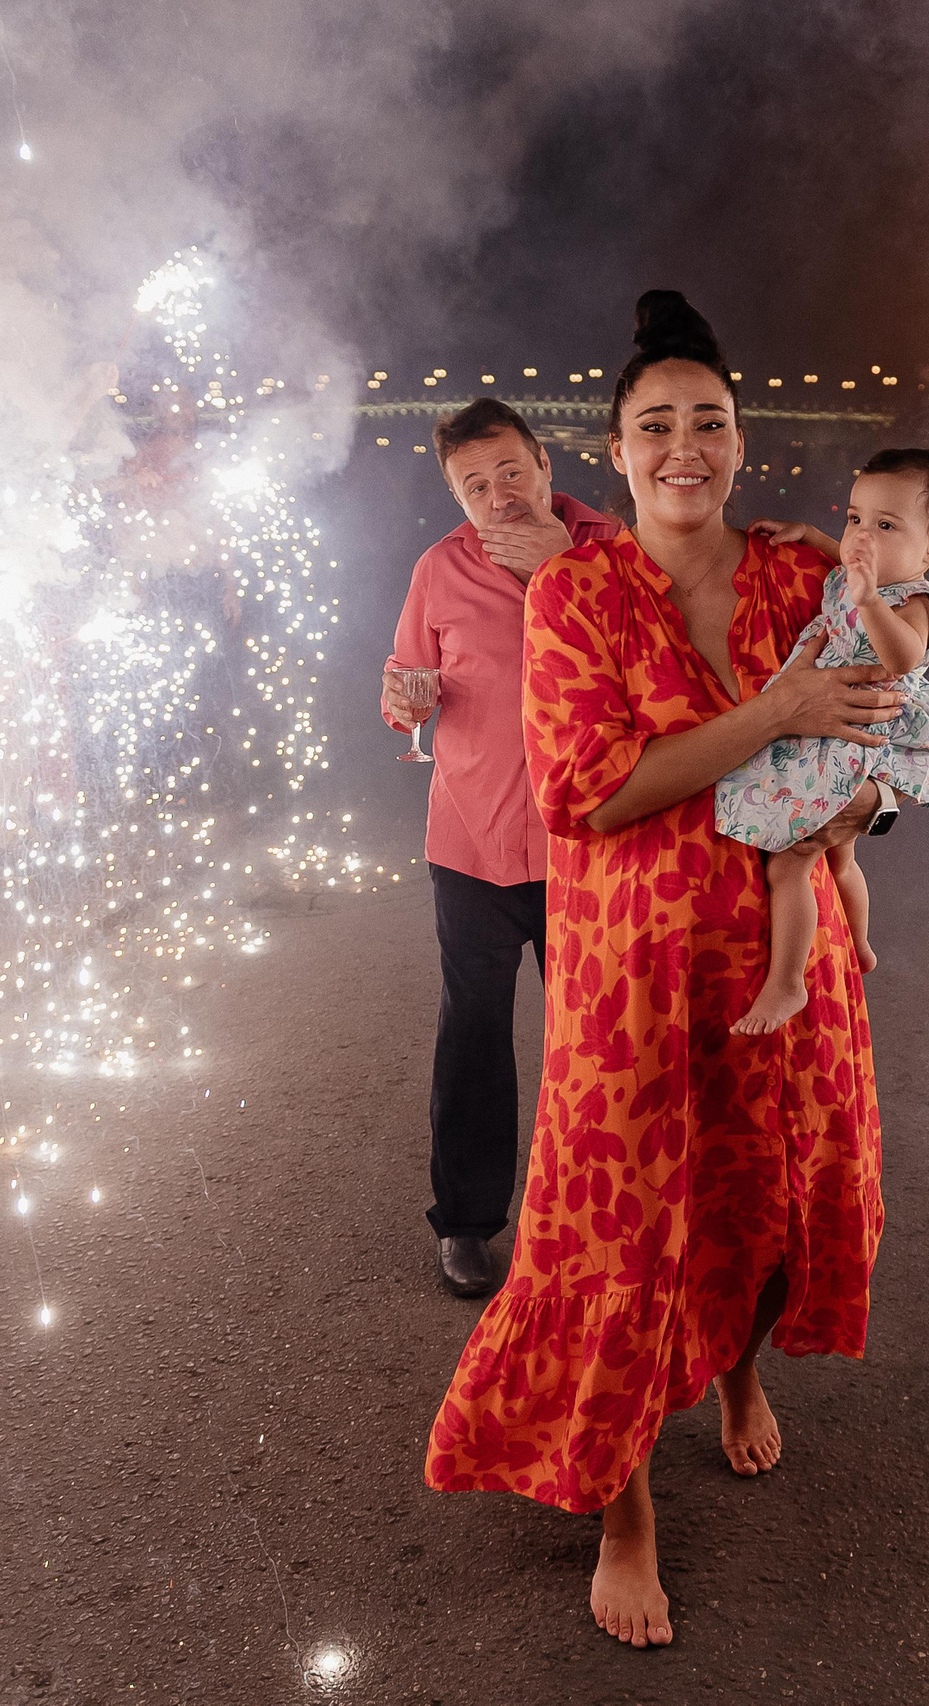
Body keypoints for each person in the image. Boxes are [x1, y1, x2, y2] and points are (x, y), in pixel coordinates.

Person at [426, 291, 904, 1649]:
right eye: (656, 426)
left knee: (766, 1205)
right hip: (630, 973)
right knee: (618, 1244)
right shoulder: (574, 592)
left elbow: (878, 734)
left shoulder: (805, 570)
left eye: (708, 421)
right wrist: (775, 714)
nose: (683, 445)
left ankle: (740, 1374)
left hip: (783, 961)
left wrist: (856, 803)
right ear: (617, 452)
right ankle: (625, 1516)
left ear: (740, 441)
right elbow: (589, 793)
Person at [380, 396, 620, 1297]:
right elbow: (407, 673)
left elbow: (656, 660)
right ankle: (469, 1224)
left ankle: (593, 1223)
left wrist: (570, 572)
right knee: (473, 1034)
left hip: (591, 842)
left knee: (593, 1043)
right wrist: (404, 701)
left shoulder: (611, 548)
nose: (497, 495)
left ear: (546, 467)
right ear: (455, 494)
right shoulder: (439, 569)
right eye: (474, 485)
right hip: (471, 840)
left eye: (510, 472)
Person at [719, 449, 929, 1032]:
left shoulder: (913, 600)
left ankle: (786, 985)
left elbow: (903, 657)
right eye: (855, 517)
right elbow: (848, 557)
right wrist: (809, 534)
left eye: (886, 526)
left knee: (789, 864)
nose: (860, 537)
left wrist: (863, 599)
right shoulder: (866, 572)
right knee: (840, 856)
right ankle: (858, 944)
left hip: (860, 729)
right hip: (828, 724)